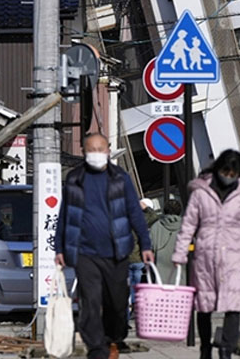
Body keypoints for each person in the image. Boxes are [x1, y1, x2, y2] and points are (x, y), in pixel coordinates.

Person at [54, 133, 154, 359]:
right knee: (90, 302)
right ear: (83, 151)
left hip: (117, 252)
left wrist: (145, 244)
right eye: (92, 149)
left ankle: (113, 338)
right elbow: (65, 214)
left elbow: (134, 212)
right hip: (84, 252)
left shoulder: (121, 178)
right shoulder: (74, 178)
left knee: (117, 303)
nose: (96, 154)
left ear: (108, 151)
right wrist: (59, 248)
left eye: (101, 149)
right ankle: (97, 349)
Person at [173, 150, 240, 359]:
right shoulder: (200, 192)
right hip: (206, 256)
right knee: (203, 305)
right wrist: (180, 254)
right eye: (225, 171)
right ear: (218, 169)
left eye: (233, 173)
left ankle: (226, 350)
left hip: (235, 257)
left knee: (234, 306)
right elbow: (188, 224)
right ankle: (205, 348)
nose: (228, 176)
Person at [128, 198, 159, 321]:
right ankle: (137, 308)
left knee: (129, 287)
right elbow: (154, 216)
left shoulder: (126, 220)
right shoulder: (140, 222)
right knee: (138, 286)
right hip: (138, 259)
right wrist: (146, 207)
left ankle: (130, 308)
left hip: (126, 258)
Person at [150, 198, 184, 285]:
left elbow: (151, 246)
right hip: (181, 269)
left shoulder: (155, 226)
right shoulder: (185, 227)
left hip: (160, 272)